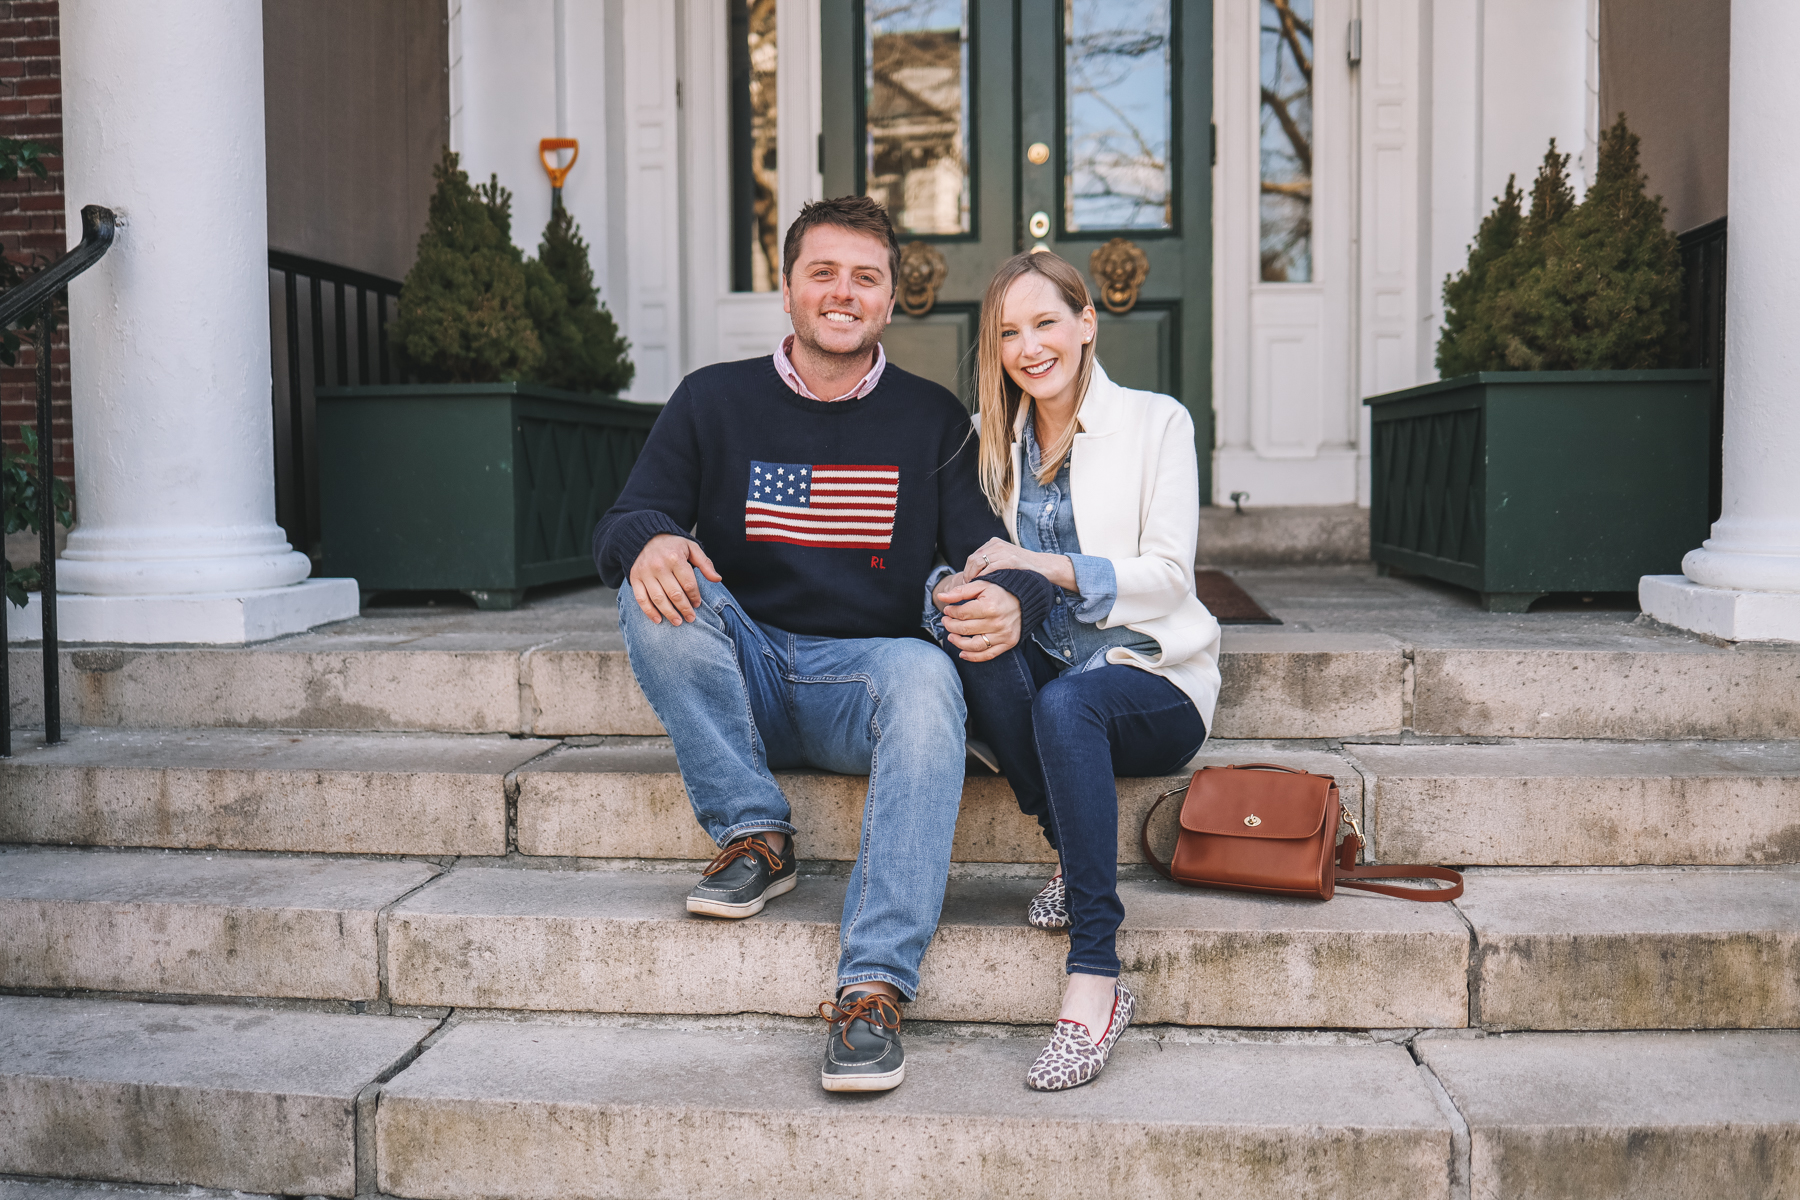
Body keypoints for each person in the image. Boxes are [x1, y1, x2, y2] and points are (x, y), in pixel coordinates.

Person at [592, 197, 1053, 1094]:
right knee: (655, 591)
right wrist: (648, 539)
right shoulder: (712, 399)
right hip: (748, 669)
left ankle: (873, 988)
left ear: (890, 301)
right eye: (824, 272)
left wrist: (1020, 601)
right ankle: (754, 833)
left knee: (927, 672)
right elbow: (626, 518)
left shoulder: (930, 420)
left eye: (866, 278)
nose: (844, 293)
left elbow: (993, 555)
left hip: (861, 684)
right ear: (789, 287)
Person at [930, 251, 1221, 1091]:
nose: (1029, 347)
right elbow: (964, 562)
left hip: (1151, 679)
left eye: (1046, 322)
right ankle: (1068, 843)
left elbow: (1170, 576)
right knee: (976, 630)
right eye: (1009, 332)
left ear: (1087, 322)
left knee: (1067, 705)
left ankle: (1095, 976)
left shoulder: (1156, 423)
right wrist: (960, 588)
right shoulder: (991, 443)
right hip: (1044, 677)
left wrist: (1048, 568)